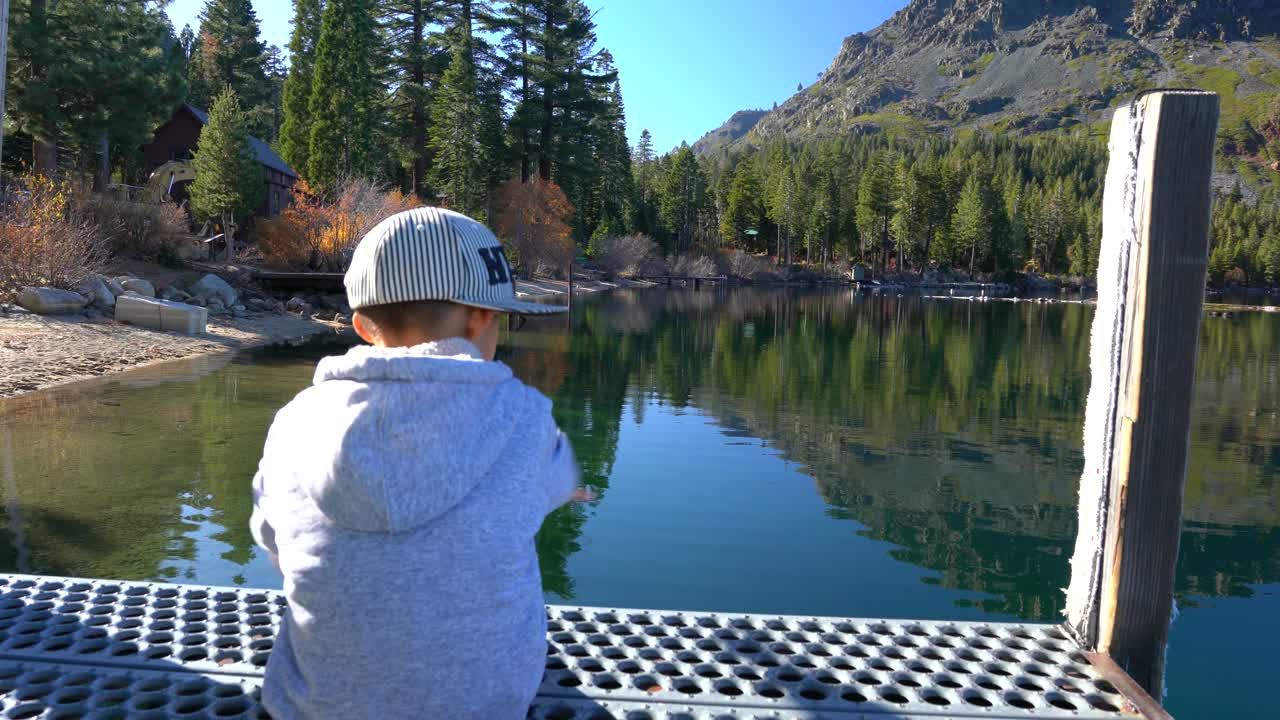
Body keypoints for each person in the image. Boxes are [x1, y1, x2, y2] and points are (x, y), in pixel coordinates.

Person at [249, 206, 590, 719]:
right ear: (480, 317)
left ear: (363, 325)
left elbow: (274, 544)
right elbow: (561, 486)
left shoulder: (293, 423)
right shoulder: (527, 420)